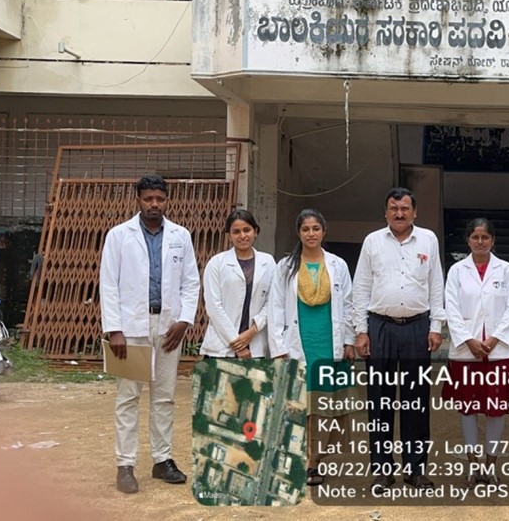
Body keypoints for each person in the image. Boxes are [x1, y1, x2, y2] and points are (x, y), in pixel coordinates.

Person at [100, 175, 199, 494]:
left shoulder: (180, 236)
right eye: (148, 199)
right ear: (138, 200)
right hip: (130, 329)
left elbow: (190, 282)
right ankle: (125, 464)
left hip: (169, 328)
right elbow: (108, 284)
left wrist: (185, 320)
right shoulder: (119, 236)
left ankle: (162, 460)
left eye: (160, 198)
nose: (154, 204)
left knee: (165, 396)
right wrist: (114, 329)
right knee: (128, 396)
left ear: (167, 200)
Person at [352, 187, 445, 490]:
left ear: (414, 212)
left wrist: (436, 326)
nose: (400, 213)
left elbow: (436, 285)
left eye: (405, 208)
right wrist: (361, 330)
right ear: (385, 212)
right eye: (394, 208)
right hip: (380, 328)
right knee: (379, 401)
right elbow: (361, 287)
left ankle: (415, 469)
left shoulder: (428, 240)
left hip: (418, 329)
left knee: (416, 402)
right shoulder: (372, 242)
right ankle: (382, 470)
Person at [268, 209, 356, 486]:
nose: (311, 234)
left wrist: (349, 341)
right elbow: (275, 308)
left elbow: (349, 304)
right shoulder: (285, 267)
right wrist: (279, 347)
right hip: (298, 343)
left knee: (323, 408)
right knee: (299, 406)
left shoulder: (338, 265)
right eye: (306, 229)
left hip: (329, 347)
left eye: (316, 228)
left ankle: (314, 461)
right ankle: (299, 460)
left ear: (324, 232)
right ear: (299, 233)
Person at [442, 218, 509, 488]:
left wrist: (496, 338)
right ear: (468, 240)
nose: (480, 242)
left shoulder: (507, 270)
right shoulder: (456, 271)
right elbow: (450, 308)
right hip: (466, 353)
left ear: (493, 240)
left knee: (496, 410)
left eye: (485, 237)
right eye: (475, 237)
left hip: (500, 352)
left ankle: (491, 465)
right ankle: (473, 466)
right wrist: (469, 340)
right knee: (468, 409)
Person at [200, 210, 274, 359]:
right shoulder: (216, 263)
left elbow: (271, 302)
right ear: (229, 236)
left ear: (256, 231)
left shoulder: (268, 262)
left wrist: (252, 331)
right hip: (221, 347)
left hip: (255, 346)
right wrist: (237, 343)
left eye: (247, 230)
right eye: (236, 232)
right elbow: (214, 307)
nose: (242, 236)